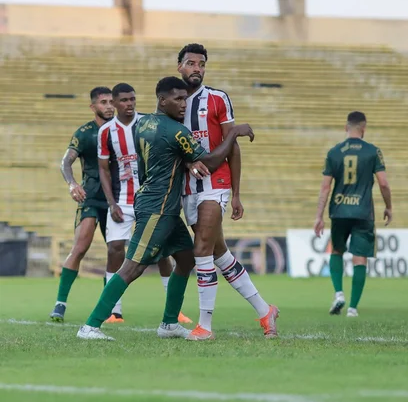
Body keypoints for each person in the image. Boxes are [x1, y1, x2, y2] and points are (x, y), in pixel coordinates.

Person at [77, 76, 254, 340]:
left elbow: (167, 155)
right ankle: (90, 326)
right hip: (157, 208)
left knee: (186, 258)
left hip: (162, 205)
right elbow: (211, 160)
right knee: (132, 267)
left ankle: (169, 324)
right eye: (178, 99)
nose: (184, 104)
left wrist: (185, 163)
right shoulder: (176, 131)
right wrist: (233, 134)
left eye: (185, 98)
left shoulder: (143, 123)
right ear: (162, 100)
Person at [176, 43, 277, 340]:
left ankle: (205, 326)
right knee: (221, 255)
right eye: (191, 63)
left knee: (202, 249)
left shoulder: (218, 99)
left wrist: (235, 193)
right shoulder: (173, 102)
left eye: (202, 64)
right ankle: (264, 310)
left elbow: (232, 146)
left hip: (216, 185)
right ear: (179, 66)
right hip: (188, 188)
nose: (197, 68)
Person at [97, 82, 191, 324]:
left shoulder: (146, 123)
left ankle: (172, 319)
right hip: (134, 200)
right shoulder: (107, 131)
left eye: (132, 99)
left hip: (156, 201)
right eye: (124, 100)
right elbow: (104, 169)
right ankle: (105, 316)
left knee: (179, 256)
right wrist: (111, 203)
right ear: (115, 103)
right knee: (121, 255)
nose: (130, 104)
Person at [314, 111, 392, 317]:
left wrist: (319, 216)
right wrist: (388, 206)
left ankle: (339, 293)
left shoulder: (334, 152)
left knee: (337, 251)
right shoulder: (373, 151)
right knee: (359, 259)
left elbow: (325, 188)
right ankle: (352, 308)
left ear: (345, 127)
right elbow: (383, 183)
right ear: (363, 128)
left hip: (339, 210)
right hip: (363, 211)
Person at [49, 87, 114, 322]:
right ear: (93, 107)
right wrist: (72, 184)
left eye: (111, 101)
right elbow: (66, 162)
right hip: (92, 197)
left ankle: (111, 308)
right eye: (103, 102)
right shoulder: (85, 133)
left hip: (117, 200)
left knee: (116, 252)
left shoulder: (122, 129)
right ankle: (60, 304)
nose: (109, 106)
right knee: (80, 247)